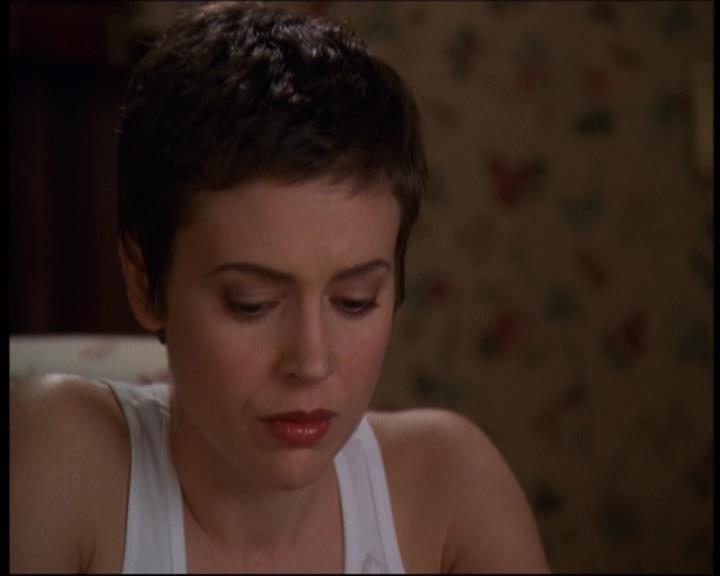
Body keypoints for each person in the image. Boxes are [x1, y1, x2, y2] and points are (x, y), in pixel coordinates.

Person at [10, 2, 550, 573]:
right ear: (144, 281)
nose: (311, 362)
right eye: (252, 305)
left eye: (355, 301)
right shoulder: (61, 459)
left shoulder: (451, 492)